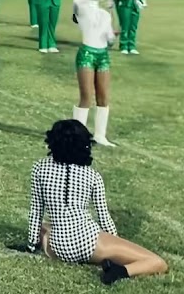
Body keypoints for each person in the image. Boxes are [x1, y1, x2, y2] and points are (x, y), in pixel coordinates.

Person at [23, 120, 166, 284]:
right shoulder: (92, 176)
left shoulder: (39, 168)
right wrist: (116, 242)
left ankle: (44, 242)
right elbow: (104, 218)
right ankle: (119, 271)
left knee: (45, 226)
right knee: (157, 262)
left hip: (58, 246)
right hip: (90, 242)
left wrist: (31, 245)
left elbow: (36, 211)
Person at [72, 0, 118, 146]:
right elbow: (76, 1)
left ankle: (100, 135)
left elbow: (109, 40)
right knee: (86, 97)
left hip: (103, 55)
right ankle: (78, 136)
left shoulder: (105, 14)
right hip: (87, 54)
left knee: (103, 96)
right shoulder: (81, 9)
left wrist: (113, 35)